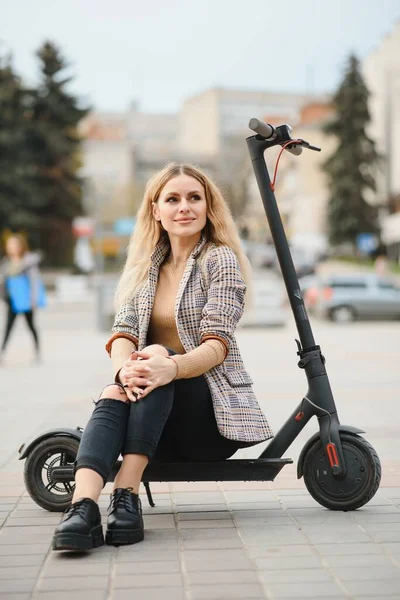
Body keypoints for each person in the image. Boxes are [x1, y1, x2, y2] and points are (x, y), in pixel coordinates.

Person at [52, 163, 273, 552]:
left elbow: (216, 345)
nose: (184, 207)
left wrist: (167, 365)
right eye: (172, 199)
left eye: (194, 198)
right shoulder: (145, 266)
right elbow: (122, 332)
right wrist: (126, 371)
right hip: (150, 420)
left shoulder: (219, 260)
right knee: (115, 389)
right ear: (156, 210)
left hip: (206, 420)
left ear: (208, 207)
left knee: (154, 358)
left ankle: (126, 492)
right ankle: (83, 508)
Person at [0, 234, 42, 362]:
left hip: (26, 300)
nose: (11, 248)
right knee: (8, 327)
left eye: (14, 245)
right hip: (12, 300)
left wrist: (33, 299)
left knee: (30, 325)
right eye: (9, 245)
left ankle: (37, 351)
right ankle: (2, 353)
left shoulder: (28, 261)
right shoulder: (7, 262)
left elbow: (34, 281)